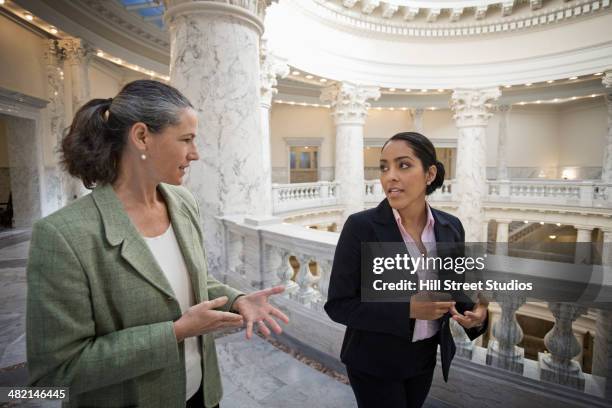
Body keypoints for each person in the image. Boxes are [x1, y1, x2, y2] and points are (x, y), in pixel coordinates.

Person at [26, 80, 289, 408]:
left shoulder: (182, 201)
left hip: (201, 395)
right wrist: (175, 332)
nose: (195, 153)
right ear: (141, 137)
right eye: (186, 139)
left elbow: (192, 282)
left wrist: (236, 300)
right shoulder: (63, 235)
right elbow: (56, 372)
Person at [324, 132, 489, 408]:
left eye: (403, 165)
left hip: (424, 357)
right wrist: (409, 309)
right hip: (374, 362)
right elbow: (339, 305)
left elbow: (457, 293)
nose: (390, 176)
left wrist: (477, 317)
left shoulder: (451, 227)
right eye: (384, 167)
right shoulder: (361, 227)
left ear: (430, 173)